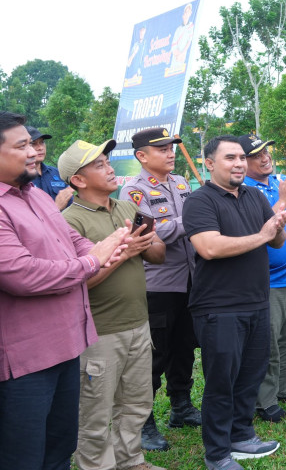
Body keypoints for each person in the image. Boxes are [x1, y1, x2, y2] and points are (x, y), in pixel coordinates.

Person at [0, 111, 129, 470]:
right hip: (23, 362)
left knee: (60, 447)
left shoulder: (38, 196)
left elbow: (72, 239)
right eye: (22, 145)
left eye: (33, 144)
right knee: (22, 456)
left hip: (67, 347)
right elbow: (21, 275)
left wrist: (102, 249)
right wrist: (93, 262)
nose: (34, 152)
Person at [183, 135, 286, 470]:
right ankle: (217, 454)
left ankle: (241, 434)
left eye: (242, 157)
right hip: (219, 307)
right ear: (209, 163)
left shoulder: (254, 196)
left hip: (257, 301)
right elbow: (209, 248)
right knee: (221, 383)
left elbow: (276, 241)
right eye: (230, 158)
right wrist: (262, 234)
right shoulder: (199, 201)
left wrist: (277, 225)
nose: (239, 163)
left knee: (250, 375)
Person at [60, 139, 166, 470]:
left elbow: (159, 254)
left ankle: (131, 461)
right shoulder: (68, 221)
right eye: (99, 165)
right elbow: (78, 281)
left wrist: (146, 242)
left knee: (136, 402)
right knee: (95, 410)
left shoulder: (125, 208)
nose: (109, 168)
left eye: (108, 162)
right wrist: (126, 253)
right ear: (78, 179)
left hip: (138, 324)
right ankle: (97, 465)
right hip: (99, 334)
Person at [120, 127, 201, 452]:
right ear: (142, 156)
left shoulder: (181, 182)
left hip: (190, 280)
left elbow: (178, 222)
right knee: (154, 355)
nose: (170, 153)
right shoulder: (133, 192)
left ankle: (181, 407)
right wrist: (193, 220)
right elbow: (154, 232)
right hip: (159, 285)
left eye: (171, 148)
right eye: (162, 149)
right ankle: (143, 423)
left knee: (184, 347)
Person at [239, 134, 286, 424]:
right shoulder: (245, 191)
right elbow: (257, 230)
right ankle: (265, 401)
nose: (264, 157)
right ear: (243, 161)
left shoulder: (278, 181)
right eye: (256, 154)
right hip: (267, 282)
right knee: (268, 345)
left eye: (266, 150)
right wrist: (284, 199)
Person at [26, 125, 74, 210]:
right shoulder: (20, 179)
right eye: (34, 144)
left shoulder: (57, 173)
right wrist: (56, 208)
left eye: (42, 142)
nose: (40, 148)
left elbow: (71, 206)